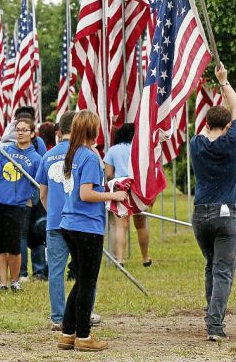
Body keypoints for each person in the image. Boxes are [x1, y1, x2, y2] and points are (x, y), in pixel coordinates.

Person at [57, 111, 127, 352]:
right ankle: (84, 336)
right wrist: (114, 195)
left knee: (81, 282)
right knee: (87, 283)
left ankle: (68, 332)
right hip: (85, 226)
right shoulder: (89, 156)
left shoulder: (73, 153)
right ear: (93, 131)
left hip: (70, 224)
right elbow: (85, 194)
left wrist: (107, 187)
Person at [189, 62, 236, 342]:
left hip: (200, 215)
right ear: (227, 128)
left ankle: (211, 312)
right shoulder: (232, 142)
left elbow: (208, 128)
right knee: (223, 270)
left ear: (207, 124)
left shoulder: (196, 144)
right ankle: (215, 325)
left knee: (211, 264)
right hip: (227, 214)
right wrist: (223, 82)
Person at [0, 117, 41, 293]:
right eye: (18, 129)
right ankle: (2, 282)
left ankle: (15, 281)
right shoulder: (5, 150)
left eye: (25, 130)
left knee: (14, 246)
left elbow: (38, 184)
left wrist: (33, 199)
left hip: (16, 206)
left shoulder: (36, 158)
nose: (21, 133)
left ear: (32, 134)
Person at [37, 111, 75, 331]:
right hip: (79, 221)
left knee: (56, 271)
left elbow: (43, 193)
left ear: (59, 132)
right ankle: (84, 310)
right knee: (84, 270)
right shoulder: (83, 154)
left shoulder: (47, 156)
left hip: (55, 221)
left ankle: (58, 316)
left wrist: (52, 211)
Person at [104, 123, 151, 267]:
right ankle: (145, 258)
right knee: (141, 225)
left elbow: (109, 173)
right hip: (138, 187)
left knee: (121, 226)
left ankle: (120, 259)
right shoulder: (140, 149)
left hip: (120, 188)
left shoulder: (113, 150)